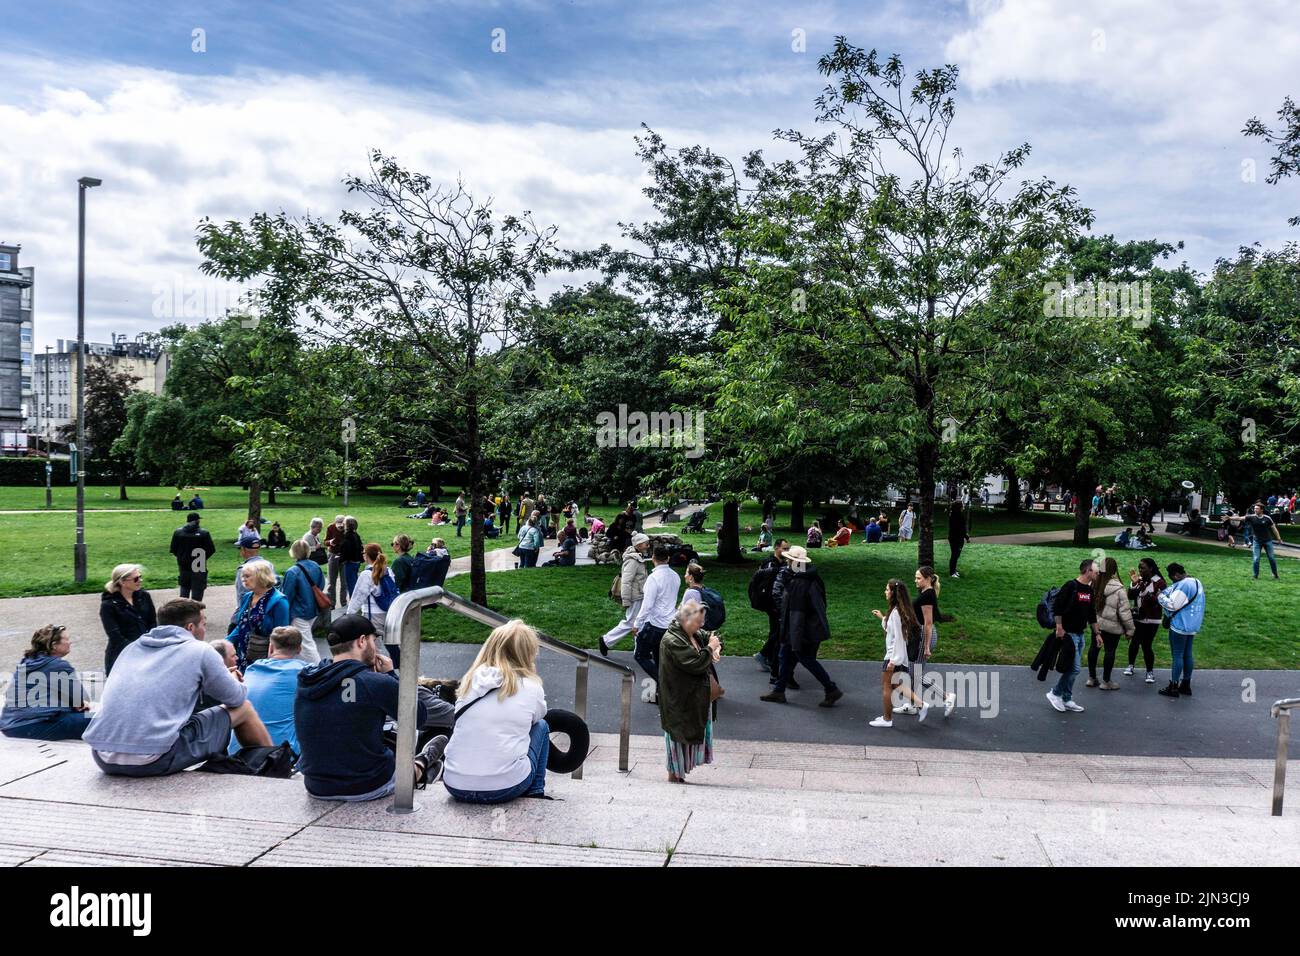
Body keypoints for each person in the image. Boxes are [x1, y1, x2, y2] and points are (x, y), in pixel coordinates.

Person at [83, 598, 271, 777]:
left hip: (102, 756)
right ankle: (273, 770)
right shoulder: (200, 650)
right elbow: (235, 698)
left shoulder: (131, 648)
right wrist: (233, 678)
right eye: (203, 624)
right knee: (244, 709)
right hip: (154, 758)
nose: (205, 630)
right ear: (191, 627)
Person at [295, 615, 451, 801]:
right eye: (373, 641)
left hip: (316, 786)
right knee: (408, 752)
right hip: (366, 786)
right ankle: (422, 765)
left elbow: (346, 697)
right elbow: (419, 716)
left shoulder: (308, 680)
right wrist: (391, 676)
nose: (376, 648)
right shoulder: (374, 682)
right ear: (362, 641)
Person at [443, 619, 550, 803]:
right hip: (504, 787)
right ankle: (535, 791)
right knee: (541, 726)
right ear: (527, 654)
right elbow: (538, 717)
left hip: (455, 784)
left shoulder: (470, 681)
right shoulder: (531, 687)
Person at [760, 545, 843, 707]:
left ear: (794, 562)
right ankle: (779, 690)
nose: (787, 561)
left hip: (801, 630)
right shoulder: (811, 579)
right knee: (784, 655)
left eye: (789, 559)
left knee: (805, 659)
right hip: (801, 628)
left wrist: (794, 637)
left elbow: (797, 613)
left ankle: (831, 689)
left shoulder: (799, 583)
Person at [658, 601, 721, 782]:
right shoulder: (673, 640)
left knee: (684, 735)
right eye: (698, 621)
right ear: (685, 619)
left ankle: (679, 774)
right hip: (679, 699)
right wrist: (710, 649)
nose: (701, 625)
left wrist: (716, 648)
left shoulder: (691, 633)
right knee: (677, 737)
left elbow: (712, 637)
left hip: (691, 698)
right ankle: (674, 775)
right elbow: (695, 664)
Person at [228, 626, 309, 757]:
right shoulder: (305, 672)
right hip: (279, 755)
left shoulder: (252, 669)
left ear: (270, 647)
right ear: (300, 649)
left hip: (237, 751)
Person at [1, 625, 91, 740]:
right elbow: (81, 699)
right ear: (54, 645)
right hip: (34, 725)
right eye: (67, 639)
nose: (70, 642)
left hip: (9, 725)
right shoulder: (59, 666)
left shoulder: (26, 662)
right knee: (101, 721)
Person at [869, 579, 931, 727]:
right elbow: (893, 631)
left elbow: (898, 637)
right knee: (895, 684)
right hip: (897, 656)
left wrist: (893, 660)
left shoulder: (896, 613)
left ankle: (887, 719)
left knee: (886, 687)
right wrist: (882, 618)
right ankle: (921, 704)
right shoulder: (896, 611)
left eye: (886, 589)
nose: (885, 592)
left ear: (893, 593)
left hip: (893, 656)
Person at [1046, 558, 1098, 714]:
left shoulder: (1089, 590)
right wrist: (1059, 628)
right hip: (1068, 634)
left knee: (1072, 668)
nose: (1098, 573)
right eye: (1096, 570)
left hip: (1080, 634)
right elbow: (1058, 608)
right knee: (1074, 669)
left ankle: (1067, 698)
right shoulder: (1071, 586)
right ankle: (1055, 693)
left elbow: (1091, 613)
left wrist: (1097, 633)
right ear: (1088, 571)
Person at [631, 544, 682, 699]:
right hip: (669, 623)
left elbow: (647, 606)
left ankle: (663, 682)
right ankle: (662, 691)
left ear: (653, 558)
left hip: (655, 624)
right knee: (659, 657)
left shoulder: (653, 579)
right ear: (667, 558)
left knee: (640, 655)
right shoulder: (675, 576)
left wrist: (637, 624)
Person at [907, 566, 956, 716]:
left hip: (924, 635)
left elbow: (928, 623)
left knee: (916, 673)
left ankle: (947, 696)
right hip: (919, 635)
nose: (915, 580)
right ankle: (913, 705)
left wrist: (927, 646)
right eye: (915, 577)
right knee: (913, 671)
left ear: (928, 579)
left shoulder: (928, 595)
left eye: (918, 578)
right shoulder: (925, 592)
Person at [228, 559, 290, 670]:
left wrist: (276, 661)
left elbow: (282, 634)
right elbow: (242, 625)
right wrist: (226, 642)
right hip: (243, 655)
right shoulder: (247, 597)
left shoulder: (279, 601)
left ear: (261, 577)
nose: (243, 579)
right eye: (243, 576)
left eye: (247, 576)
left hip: (265, 658)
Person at [1156, 563, 1206, 699]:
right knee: (1187, 654)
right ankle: (1186, 684)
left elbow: (1173, 605)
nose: (1172, 580)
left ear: (1177, 575)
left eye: (1172, 577)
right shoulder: (1196, 581)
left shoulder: (1183, 585)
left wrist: (1160, 597)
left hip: (1180, 625)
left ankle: (1173, 686)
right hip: (1193, 625)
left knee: (1177, 655)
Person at [99, 563, 158, 675]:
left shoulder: (144, 596)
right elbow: (115, 635)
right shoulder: (108, 605)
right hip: (122, 655)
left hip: (146, 651)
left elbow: (152, 622)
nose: (140, 580)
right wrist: (136, 649)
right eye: (136, 578)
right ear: (122, 582)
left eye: (140, 577)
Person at [347, 543, 400, 665]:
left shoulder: (366, 575)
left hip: (372, 615)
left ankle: (379, 671)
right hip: (389, 612)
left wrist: (349, 614)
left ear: (366, 556)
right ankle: (400, 666)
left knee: (373, 647)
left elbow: (358, 597)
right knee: (390, 642)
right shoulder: (388, 571)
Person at [598, 533, 650, 657]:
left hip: (640, 595)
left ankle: (641, 650)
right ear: (638, 544)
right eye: (646, 543)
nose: (648, 545)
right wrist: (626, 600)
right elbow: (626, 581)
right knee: (631, 622)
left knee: (641, 622)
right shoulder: (633, 560)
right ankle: (606, 641)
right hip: (635, 597)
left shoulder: (638, 557)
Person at [1087, 557, 1133, 690]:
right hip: (1113, 627)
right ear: (1114, 570)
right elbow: (1125, 612)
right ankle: (1106, 681)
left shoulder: (1093, 583)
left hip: (1096, 624)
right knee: (1110, 651)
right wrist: (1130, 630)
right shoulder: (1119, 589)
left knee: (1093, 648)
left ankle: (1091, 678)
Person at [278, 539, 325, 663]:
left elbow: (287, 595)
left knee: (306, 644)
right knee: (302, 641)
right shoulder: (315, 566)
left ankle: (319, 668)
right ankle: (303, 667)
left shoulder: (293, 571)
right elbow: (321, 585)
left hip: (298, 612)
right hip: (313, 610)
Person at [1124, 557, 1165, 683]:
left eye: (1142, 568)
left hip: (1152, 619)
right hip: (1138, 617)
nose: (1139, 570)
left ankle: (1149, 672)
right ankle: (1130, 665)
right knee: (1134, 642)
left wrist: (1143, 589)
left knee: (1146, 645)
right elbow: (1130, 596)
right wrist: (1133, 584)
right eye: (1139, 567)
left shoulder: (1160, 582)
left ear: (1151, 568)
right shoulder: (1139, 580)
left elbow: (1158, 602)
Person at [169, 512, 215, 601]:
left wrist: (181, 557)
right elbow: (211, 549)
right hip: (199, 564)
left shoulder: (178, 533)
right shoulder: (203, 533)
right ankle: (196, 612)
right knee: (198, 592)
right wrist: (201, 558)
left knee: (184, 589)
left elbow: (173, 549)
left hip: (183, 565)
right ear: (197, 520)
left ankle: (184, 611)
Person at [1244, 502, 1281, 580]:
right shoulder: (1251, 517)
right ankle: (1255, 575)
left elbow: (1274, 528)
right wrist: (1230, 518)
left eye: (1257, 509)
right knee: (1256, 559)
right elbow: (1240, 518)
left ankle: (1275, 574)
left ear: (1262, 510)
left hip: (1267, 541)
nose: (1255, 510)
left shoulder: (1267, 518)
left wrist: (1278, 538)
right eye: (1254, 508)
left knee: (1271, 558)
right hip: (1256, 541)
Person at [340, 516, 364, 599]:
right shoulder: (356, 535)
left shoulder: (347, 536)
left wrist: (342, 559)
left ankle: (353, 603)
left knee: (350, 584)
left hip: (350, 562)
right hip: (356, 561)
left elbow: (347, 551)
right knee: (354, 582)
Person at [325, 514, 346, 605]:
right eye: (339, 525)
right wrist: (330, 542)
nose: (341, 527)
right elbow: (325, 542)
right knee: (331, 581)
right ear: (335, 523)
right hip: (333, 555)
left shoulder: (348, 528)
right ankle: (331, 603)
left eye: (342, 526)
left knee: (344, 582)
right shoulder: (331, 527)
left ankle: (344, 603)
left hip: (344, 556)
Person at [948, 500, 970, 578]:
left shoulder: (953, 514)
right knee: (955, 555)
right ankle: (952, 572)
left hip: (953, 537)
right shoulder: (958, 516)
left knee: (955, 554)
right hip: (957, 538)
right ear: (959, 507)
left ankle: (953, 570)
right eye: (962, 505)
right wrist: (966, 537)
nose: (963, 506)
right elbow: (961, 528)